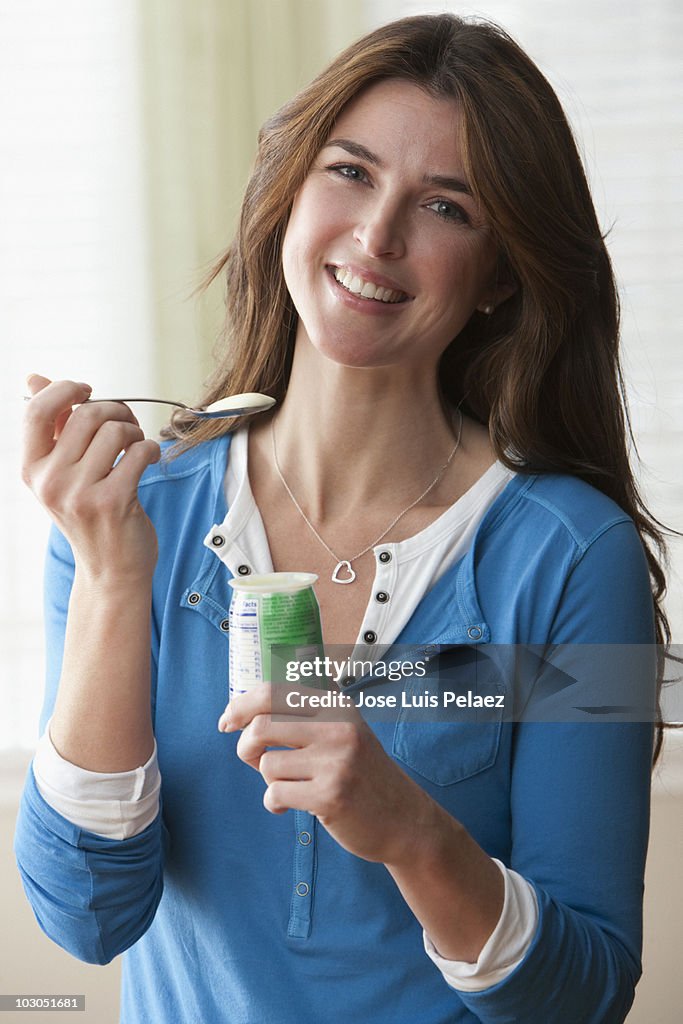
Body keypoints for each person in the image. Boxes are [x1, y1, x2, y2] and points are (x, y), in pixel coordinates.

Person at [15, 13, 670, 1024]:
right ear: (289, 192)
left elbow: (586, 996)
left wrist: (411, 830)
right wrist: (108, 580)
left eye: (445, 206)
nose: (377, 236)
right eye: (351, 173)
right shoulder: (126, 516)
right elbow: (85, 919)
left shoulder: (573, 556)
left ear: (499, 272)